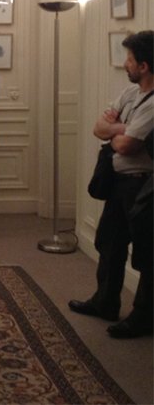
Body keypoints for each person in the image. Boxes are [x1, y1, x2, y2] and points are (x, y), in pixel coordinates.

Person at [69, 30, 153, 339]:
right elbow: (98, 127)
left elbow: (127, 145)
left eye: (129, 59)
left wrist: (116, 130)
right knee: (109, 242)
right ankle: (105, 301)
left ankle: (143, 317)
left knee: (146, 253)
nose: (125, 64)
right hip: (118, 183)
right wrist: (122, 128)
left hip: (142, 187)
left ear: (143, 65)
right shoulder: (131, 93)